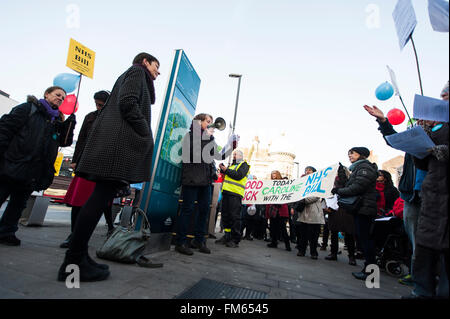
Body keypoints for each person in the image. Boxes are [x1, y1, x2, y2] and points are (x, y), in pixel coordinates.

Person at [57, 52, 160, 282]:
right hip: (117, 148)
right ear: (145, 62)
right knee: (98, 199)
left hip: (115, 147)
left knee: (99, 198)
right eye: (156, 66)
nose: (158, 71)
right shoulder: (136, 72)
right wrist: (145, 131)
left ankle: (77, 256)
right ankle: (73, 261)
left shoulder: (136, 75)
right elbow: (127, 102)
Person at [0, 86, 76, 246]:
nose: (60, 99)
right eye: (57, 95)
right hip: (13, 163)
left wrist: (70, 126)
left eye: (63, 98)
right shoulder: (28, 109)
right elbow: (5, 129)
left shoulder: (57, 120)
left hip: (33, 170)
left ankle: (6, 231)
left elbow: (64, 142)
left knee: (19, 203)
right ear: (47, 94)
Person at [175, 114, 238, 255]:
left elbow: (219, 156)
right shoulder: (190, 136)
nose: (212, 125)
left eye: (212, 122)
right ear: (199, 122)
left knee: (204, 211)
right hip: (192, 179)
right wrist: (205, 137)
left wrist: (231, 146)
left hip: (205, 181)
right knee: (188, 210)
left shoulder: (209, 139)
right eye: (208, 122)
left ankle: (199, 240)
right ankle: (180, 242)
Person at [60, 91, 113, 248]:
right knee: (78, 201)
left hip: (102, 165)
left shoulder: (114, 118)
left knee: (100, 202)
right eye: (96, 104)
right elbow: (81, 139)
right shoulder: (90, 117)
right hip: (85, 162)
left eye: (101, 105)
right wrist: (76, 160)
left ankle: (101, 230)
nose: (98, 107)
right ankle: (73, 234)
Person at [407, 106, 449, 298]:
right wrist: (421, 144)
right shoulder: (437, 130)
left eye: (446, 96)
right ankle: (421, 292)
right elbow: (423, 163)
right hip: (432, 197)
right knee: (425, 252)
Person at [331, 147, 378, 280]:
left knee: (366, 240)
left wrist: (339, 191)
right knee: (364, 240)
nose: (350, 156)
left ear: (361, 155)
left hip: (365, 208)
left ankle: (370, 273)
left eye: (352, 153)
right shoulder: (357, 168)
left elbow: (358, 187)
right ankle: (369, 270)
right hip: (361, 208)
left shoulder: (364, 168)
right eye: (348, 154)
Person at [215, 149, 249, 248]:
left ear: (241, 156)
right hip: (226, 193)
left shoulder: (244, 165)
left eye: (236, 155)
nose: (234, 156)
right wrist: (222, 169)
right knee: (226, 216)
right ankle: (227, 236)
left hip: (235, 194)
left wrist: (226, 170)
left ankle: (235, 239)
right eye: (233, 154)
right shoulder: (232, 166)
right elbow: (229, 175)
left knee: (234, 217)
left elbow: (238, 176)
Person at [325, 163, 357, 265]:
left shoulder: (350, 180)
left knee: (348, 234)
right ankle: (335, 253)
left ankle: (351, 256)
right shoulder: (331, 181)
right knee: (335, 232)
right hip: (334, 209)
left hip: (345, 208)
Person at [294, 166, 324, 259]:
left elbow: (316, 196)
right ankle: (301, 250)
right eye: (306, 170)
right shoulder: (302, 183)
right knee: (303, 234)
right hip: (304, 212)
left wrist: (304, 199)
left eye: (309, 170)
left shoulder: (318, 183)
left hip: (314, 212)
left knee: (313, 236)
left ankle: (313, 252)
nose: (307, 171)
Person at [265, 170, 291, 252]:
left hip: (281, 208)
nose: (273, 175)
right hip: (273, 208)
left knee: (282, 228)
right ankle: (274, 242)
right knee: (273, 227)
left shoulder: (283, 183)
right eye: (272, 174)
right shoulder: (270, 184)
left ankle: (287, 245)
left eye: (275, 174)